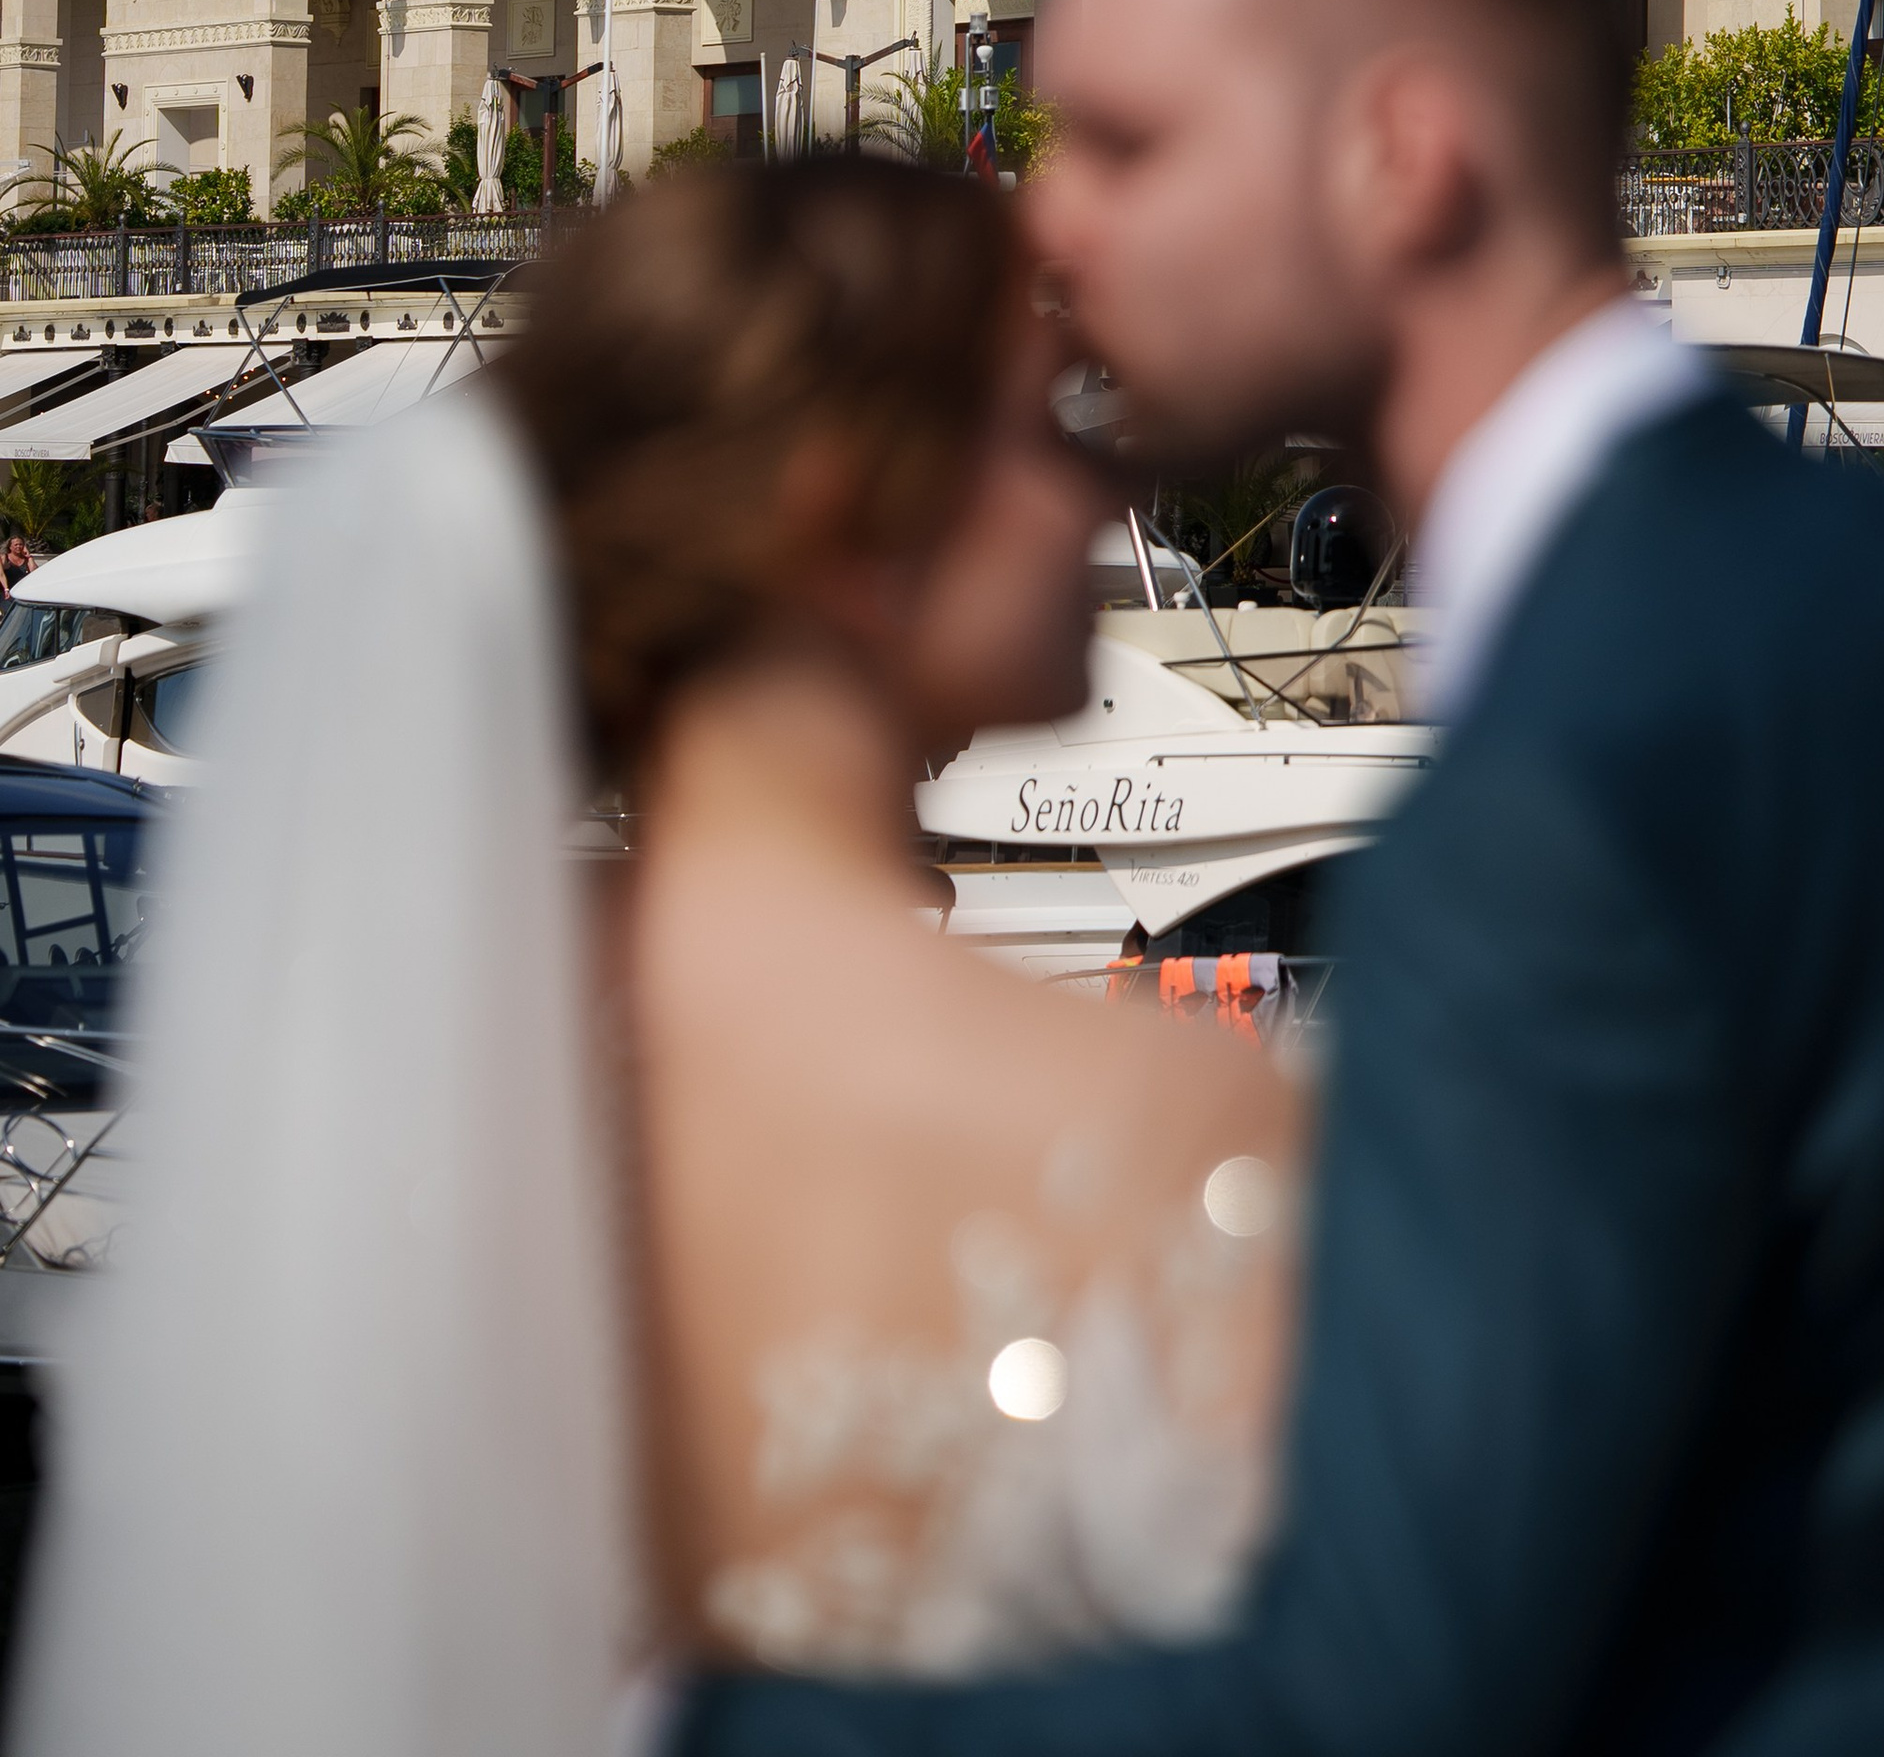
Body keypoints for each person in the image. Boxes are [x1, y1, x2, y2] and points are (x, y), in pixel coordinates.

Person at [672, 0, 1884, 1757]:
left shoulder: (1582, 786)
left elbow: (1383, 1693)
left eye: (1131, 145)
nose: (1048, 214)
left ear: (1401, 157)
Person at [11, 159, 1302, 1755]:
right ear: (846, 509)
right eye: (1035, 423)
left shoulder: (410, 1050)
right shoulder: (1162, 1139)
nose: (1096, 486)